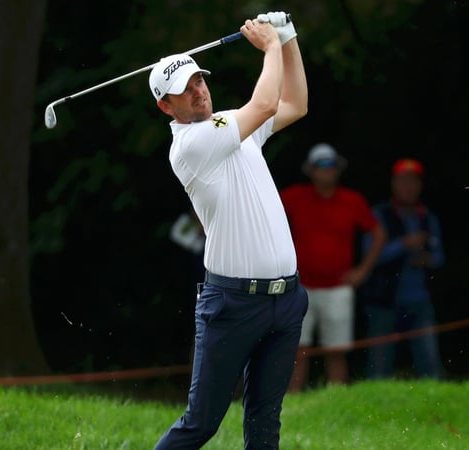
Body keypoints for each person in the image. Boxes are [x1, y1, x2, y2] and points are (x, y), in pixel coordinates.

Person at [148, 12, 308, 449]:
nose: (199, 91)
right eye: (186, 89)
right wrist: (270, 47)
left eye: (200, 80)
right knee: (201, 424)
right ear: (166, 105)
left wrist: (288, 39)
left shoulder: (233, 128)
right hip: (232, 304)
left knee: (264, 421)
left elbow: (294, 104)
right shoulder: (192, 144)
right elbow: (267, 104)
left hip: (286, 299)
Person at [280, 143, 386, 391]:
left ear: (337, 169)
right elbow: (264, 214)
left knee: (336, 351)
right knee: (297, 350)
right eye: (320, 165)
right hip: (301, 287)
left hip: (338, 287)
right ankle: (293, 404)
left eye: (330, 165)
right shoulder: (295, 196)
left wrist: (363, 270)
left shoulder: (352, 200)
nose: (326, 171)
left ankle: (335, 401)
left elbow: (379, 233)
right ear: (311, 170)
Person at [359, 158, 445, 379]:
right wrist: (404, 244)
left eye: (413, 181)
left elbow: (439, 258)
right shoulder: (379, 215)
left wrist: (426, 259)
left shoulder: (427, 217)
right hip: (384, 298)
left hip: (420, 297)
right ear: (394, 184)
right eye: (403, 181)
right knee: (379, 364)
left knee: (429, 361)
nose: (408, 187)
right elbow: (371, 255)